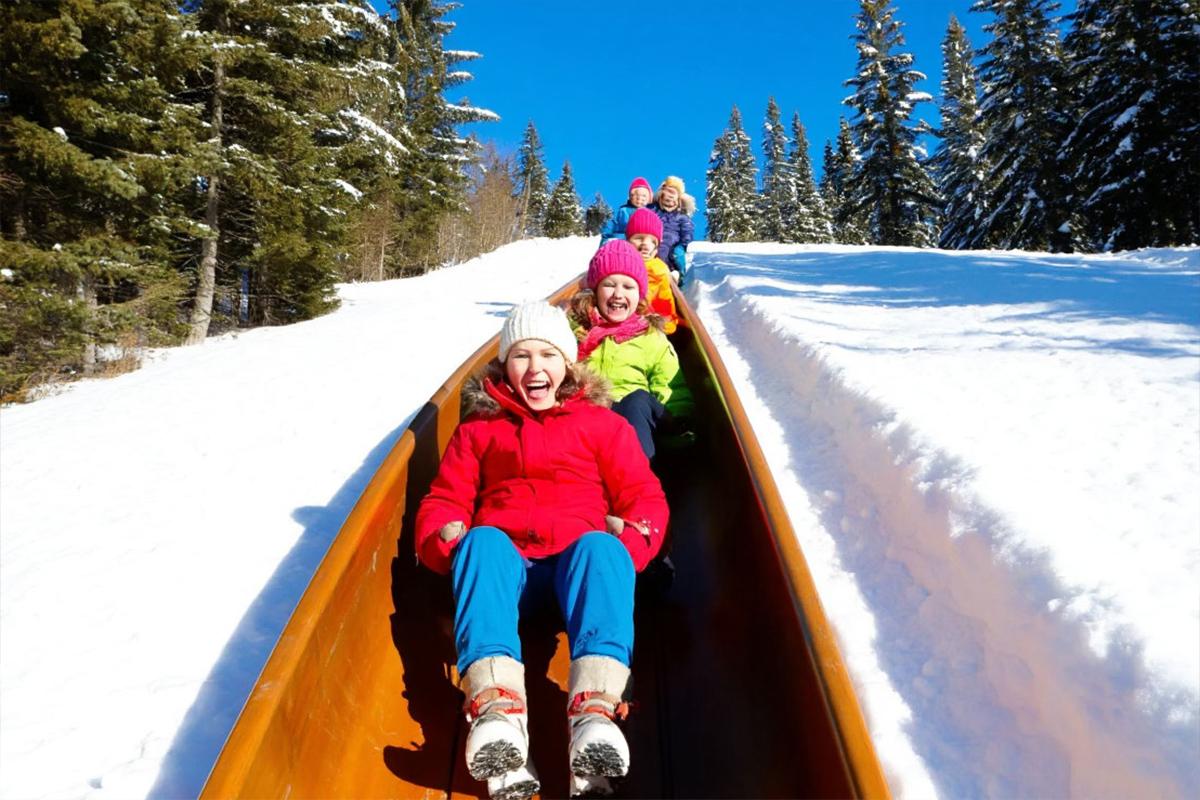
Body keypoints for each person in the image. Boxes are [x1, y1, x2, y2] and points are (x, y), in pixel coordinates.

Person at [415, 301, 668, 799]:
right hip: (508, 575)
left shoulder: (603, 426)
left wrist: (632, 542)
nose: (535, 368)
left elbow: (644, 497)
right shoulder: (479, 429)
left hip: (578, 573)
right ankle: (497, 712)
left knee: (602, 547)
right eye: (522, 355)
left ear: (568, 364)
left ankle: (595, 714)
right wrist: (441, 538)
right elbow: (445, 497)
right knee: (482, 540)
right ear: (504, 365)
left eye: (548, 355)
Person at [569, 240, 693, 461]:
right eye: (609, 285)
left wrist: (678, 422)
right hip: (587, 419)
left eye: (628, 287)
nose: (618, 293)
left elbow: (668, 383)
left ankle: (637, 474)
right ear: (595, 291)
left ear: (640, 294)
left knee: (637, 401)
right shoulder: (577, 332)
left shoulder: (649, 336)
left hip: (633, 422)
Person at [624, 207, 681, 335]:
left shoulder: (657, 269)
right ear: (627, 241)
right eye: (639, 238)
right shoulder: (619, 261)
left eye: (652, 241)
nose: (645, 244)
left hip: (649, 326)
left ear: (656, 249)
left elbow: (656, 299)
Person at [650, 176, 695, 284]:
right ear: (661, 195)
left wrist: (682, 245)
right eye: (668, 193)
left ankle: (675, 274)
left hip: (673, 243)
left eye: (673, 195)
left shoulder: (681, 216)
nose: (670, 198)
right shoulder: (653, 210)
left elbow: (687, 232)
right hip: (654, 237)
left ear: (679, 199)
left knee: (672, 251)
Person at [599, 176, 653, 244]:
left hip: (640, 243)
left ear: (648, 198)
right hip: (621, 241)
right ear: (630, 197)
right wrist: (605, 241)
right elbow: (610, 225)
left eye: (644, 196)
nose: (639, 198)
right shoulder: (622, 211)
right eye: (635, 195)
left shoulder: (650, 214)